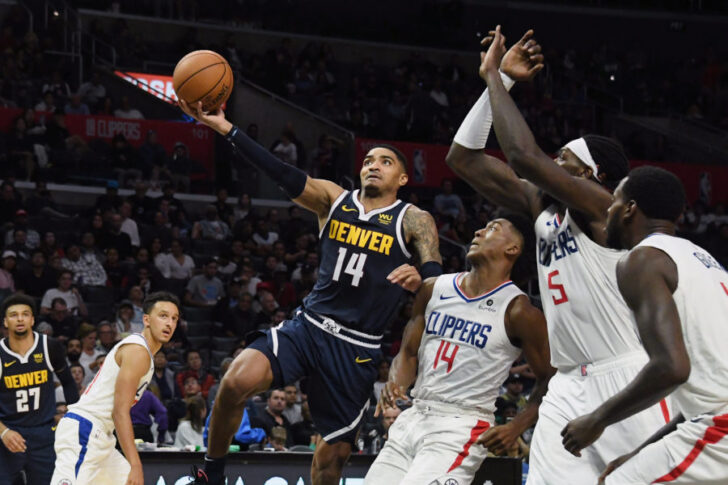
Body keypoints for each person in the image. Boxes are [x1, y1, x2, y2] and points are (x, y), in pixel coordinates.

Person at [446, 27, 670, 484]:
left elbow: (526, 158)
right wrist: (502, 84)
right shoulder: (541, 207)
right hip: (568, 382)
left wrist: (492, 74)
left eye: (564, 158)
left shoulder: (602, 207)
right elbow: (463, 158)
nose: (554, 162)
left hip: (626, 375)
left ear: (592, 173)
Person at [179, 95, 441, 485]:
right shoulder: (334, 199)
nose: (373, 165)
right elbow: (281, 173)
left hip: (357, 347)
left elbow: (435, 283)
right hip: (310, 326)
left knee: (331, 460)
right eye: (369, 160)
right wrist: (225, 128)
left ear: (403, 179)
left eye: (385, 162)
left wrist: (421, 278)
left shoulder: (414, 220)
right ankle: (212, 474)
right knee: (235, 380)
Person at [560, 166, 728, 484]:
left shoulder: (642, 260)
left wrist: (597, 419)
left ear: (629, 209)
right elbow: (702, 396)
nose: (607, 210)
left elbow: (671, 368)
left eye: (614, 202)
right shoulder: (701, 258)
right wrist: (641, 452)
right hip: (712, 422)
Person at [365, 215, 553, 484]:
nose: (477, 231)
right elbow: (407, 353)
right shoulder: (433, 289)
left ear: (512, 249)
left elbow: (550, 379)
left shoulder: (519, 311)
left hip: (461, 425)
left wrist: (517, 426)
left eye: (492, 229)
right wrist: (395, 381)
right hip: (415, 415)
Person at [51, 291, 180, 485]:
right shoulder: (138, 352)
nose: (169, 323)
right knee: (132, 474)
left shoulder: (143, 353)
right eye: (163, 316)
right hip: (84, 430)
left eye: (174, 318)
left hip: (102, 438)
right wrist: (136, 464)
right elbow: (120, 411)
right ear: (146, 319)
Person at [0, 293, 79, 485]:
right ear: (5, 322)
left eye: (25, 314)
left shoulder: (49, 347)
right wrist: (3, 432)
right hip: (8, 434)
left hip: (44, 432)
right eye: (13, 315)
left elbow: (68, 382)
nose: (20, 319)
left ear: (32, 319)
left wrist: (72, 417)